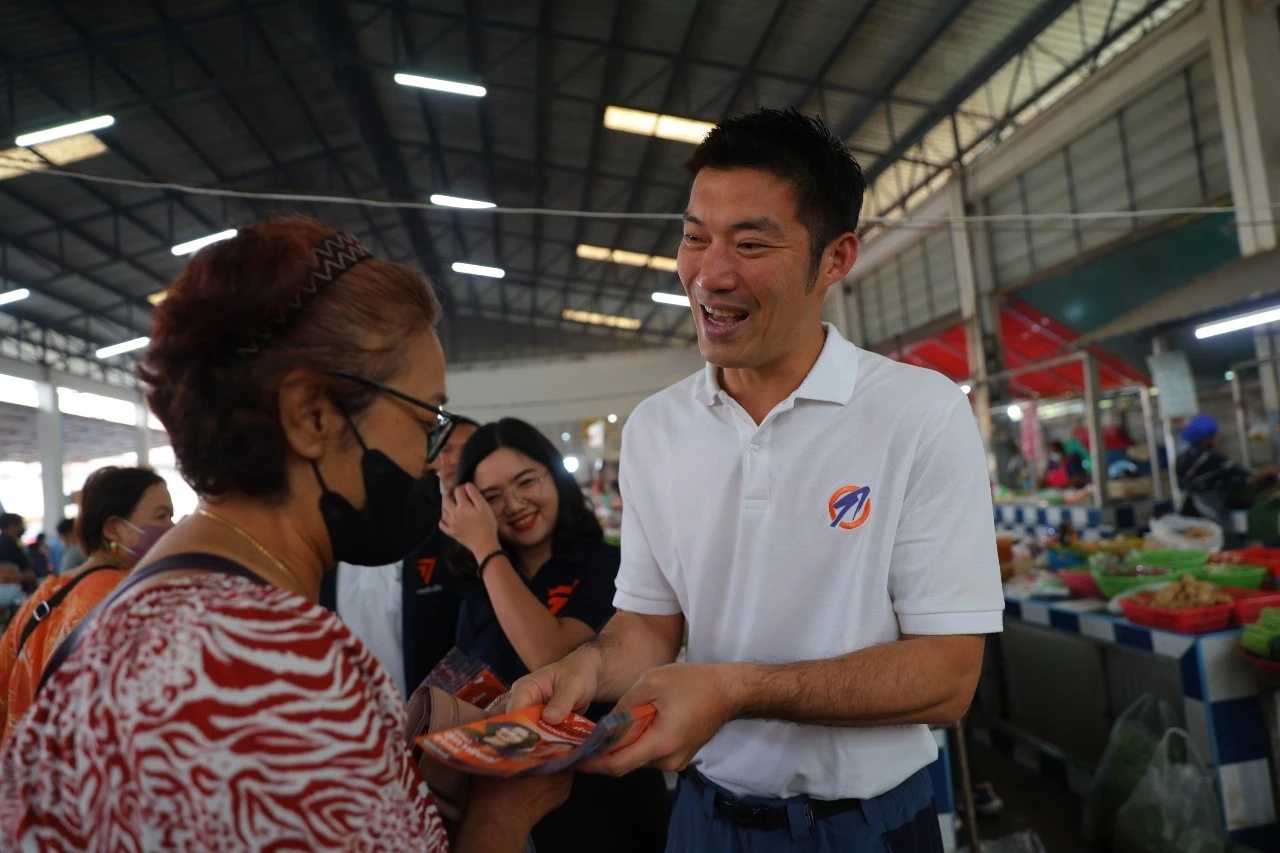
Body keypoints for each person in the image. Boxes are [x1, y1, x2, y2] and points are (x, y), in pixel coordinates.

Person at [507, 109, 1004, 852]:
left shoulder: (916, 412)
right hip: (706, 820)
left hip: (870, 825)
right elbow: (649, 626)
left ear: (835, 259)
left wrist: (737, 689)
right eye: (694, 235)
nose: (710, 273)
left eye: (751, 242)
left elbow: (949, 674)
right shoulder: (656, 429)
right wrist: (584, 666)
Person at [0, 219, 567, 851]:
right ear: (311, 415)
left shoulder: (126, 616)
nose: (432, 456)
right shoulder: (285, 663)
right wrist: (503, 813)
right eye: (424, 416)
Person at [443, 417, 670, 853]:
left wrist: (486, 550)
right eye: (492, 497)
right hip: (512, 810)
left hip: (610, 803)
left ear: (555, 476)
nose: (513, 504)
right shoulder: (479, 590)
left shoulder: (608, 563)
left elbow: (553, 657)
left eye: (526, 481)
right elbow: (468, 688)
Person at [0, 466, 173, 745]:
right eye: (161, 516)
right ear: (114, 528)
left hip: (25, 769)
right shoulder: (127, 597)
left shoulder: (48, 592)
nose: (172, 528)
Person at [321, 415, 480, 697]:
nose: (449, 460)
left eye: (467, 448)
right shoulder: (328, 541)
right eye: (444, 448)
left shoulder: (452, 537)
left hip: (432, 715)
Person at [1177, 414, 1276, 528]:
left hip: (1188, 508)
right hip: (1209, 508)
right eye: (1214, 435)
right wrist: (1270, 471)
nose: (1217, 438)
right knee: (1220, 540)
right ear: (1207, 438)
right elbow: (1246, 474)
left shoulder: (1183, 456)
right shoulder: (1210, 457)